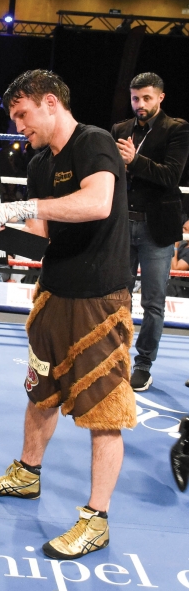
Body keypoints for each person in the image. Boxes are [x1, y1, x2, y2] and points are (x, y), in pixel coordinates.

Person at [0, 69, 136, 560]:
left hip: (99, 300)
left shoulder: (95, 141)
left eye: (23, 114)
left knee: (105, 411)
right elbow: (45, 228)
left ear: (49, 102)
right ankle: (27, 473)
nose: (18, 125)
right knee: (40, 390)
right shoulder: (42, 163)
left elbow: (98, 202)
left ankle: (96, 519)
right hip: (53, 294)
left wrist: (24, 206)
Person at [112, 73, 189, 392]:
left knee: (154, 302)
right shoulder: (120, 129)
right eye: (135, 98)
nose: (139, 104)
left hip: (156, 228)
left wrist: (134, 160)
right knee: (117, 297)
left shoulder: (177, 129)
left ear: (160, 97)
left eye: (146, 98)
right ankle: (116, 357)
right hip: (122, 224)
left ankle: (143, 364)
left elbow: (171, 175)